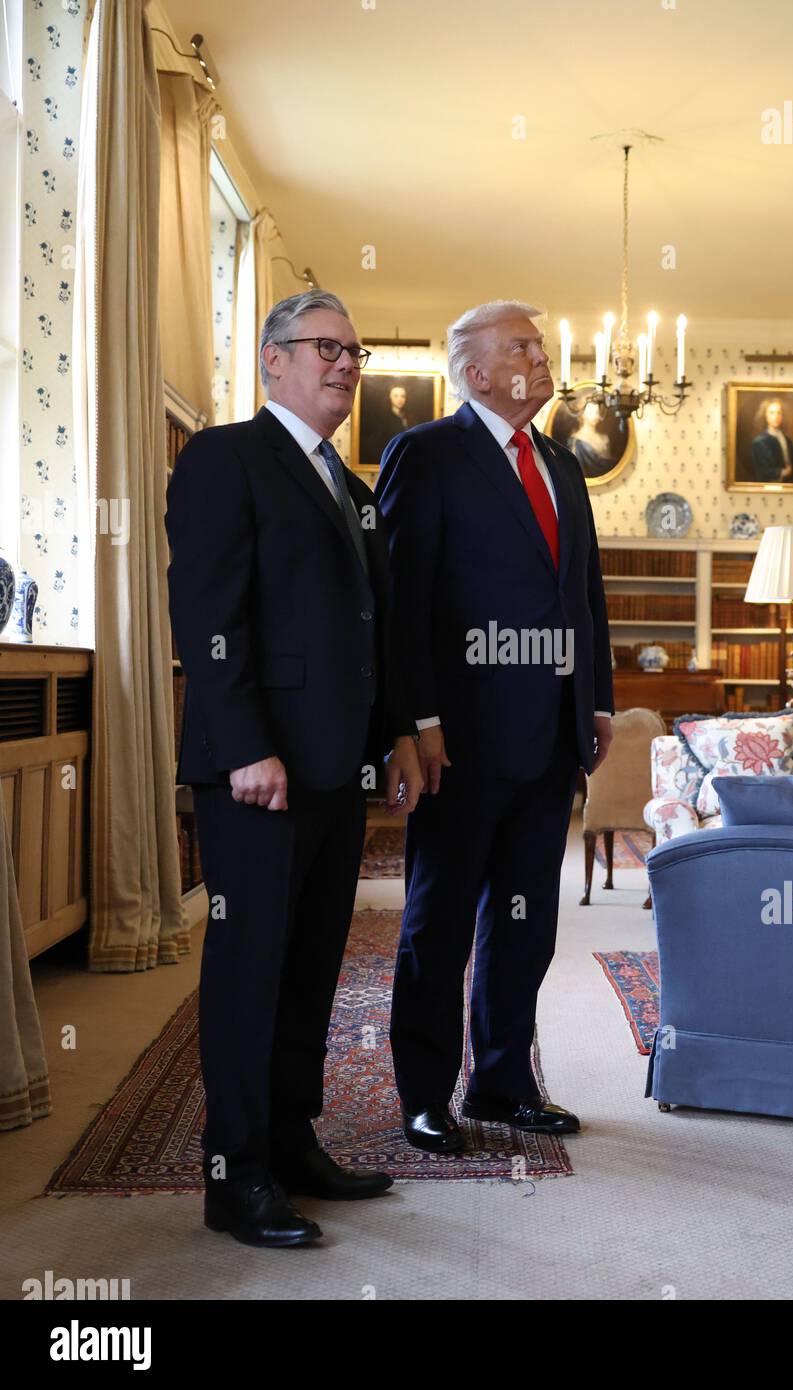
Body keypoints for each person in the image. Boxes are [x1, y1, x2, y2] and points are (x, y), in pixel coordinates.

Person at [165, 289, 423, 1248]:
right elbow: (208, 613)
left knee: (314, 961)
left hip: (335, 768)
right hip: (255, 772)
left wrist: (393, 734)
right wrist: (240, 746)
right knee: (252, 966)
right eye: (327, 347)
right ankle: (233, 1177)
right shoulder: (225, 459)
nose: (347, 364)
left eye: (356, 352)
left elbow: (375, 633)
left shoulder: (352, 491)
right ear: (272, 359)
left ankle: (289, 1139)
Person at [376, 299, 614, 1154]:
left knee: (524, 920)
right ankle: (424, 1096)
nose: (541, 356)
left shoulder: (562, 462)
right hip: (460, 739)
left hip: (550, 737)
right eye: (521, 346)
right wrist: (417, 719)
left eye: (540, 344)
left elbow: (584, 595)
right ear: (474, 372)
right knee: (437, 926)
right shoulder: (425, 454)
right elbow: (401, 602)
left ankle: (504, 1085)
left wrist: (595, 700)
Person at [750, 397, 793, 482]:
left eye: (779, 413)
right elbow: (762, 471)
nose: (776, 416)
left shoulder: (787, 440)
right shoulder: (759, 442)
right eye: (771, 413)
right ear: (765, 416)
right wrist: (782, 472)